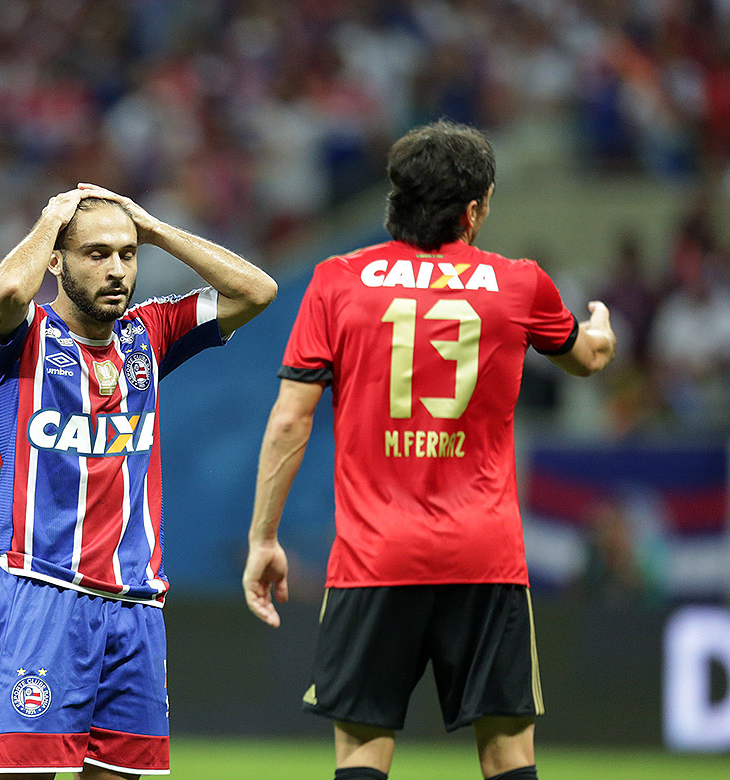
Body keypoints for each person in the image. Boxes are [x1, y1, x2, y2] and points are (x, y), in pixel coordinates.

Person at [241, 120, 616, 780]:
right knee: (507, 754)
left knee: (362, 751)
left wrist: (263, 539)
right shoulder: (520, 284)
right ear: (473, 209)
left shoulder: (336, 281)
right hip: (485, 556)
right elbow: (585, 359)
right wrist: (602, 333)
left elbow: (288, 424)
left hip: (373, 556)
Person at [0, 183, 276, 777]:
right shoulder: (23, 336)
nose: (117, 269)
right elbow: (11, 288)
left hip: (135, 601)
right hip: (44, 588)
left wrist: (154, 228)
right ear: (57, 263)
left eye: (126, 254)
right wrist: (51, 220)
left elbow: (258, 290)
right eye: (96, 255)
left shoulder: (150, 334)